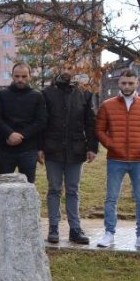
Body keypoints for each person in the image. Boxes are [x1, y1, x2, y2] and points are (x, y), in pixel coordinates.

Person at [95, 69, 140, 249]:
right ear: (119, 83)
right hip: (115, 159)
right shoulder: (107, 105)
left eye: (130, 83)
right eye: (124, 83)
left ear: (137, 83)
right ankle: (109, 233)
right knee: (111, 198)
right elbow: (100, 130)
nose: (127, 86)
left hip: (139, 160)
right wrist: (111, 144)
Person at [39, 63, 97, 245]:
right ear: (56, 70)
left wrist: (92, 147)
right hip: (52, 149)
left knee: (73, 190)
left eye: (70, 68)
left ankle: (75, 228)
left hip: (76, 149)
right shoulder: (46, 94)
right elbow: (42, 123)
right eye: (62, 68)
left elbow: (90, 122)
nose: (66, 71)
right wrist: (39, 147)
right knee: (54, 189)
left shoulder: (84, 94)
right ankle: (53, 228)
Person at [0, 62, 47, 183]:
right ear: (12, 76)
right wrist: (9, 134)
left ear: (30, 76)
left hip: (28, 150)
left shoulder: (37, 96)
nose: (20, 79)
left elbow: (41, 121)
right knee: (3, 187)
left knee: (27, 188)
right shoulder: (2, 95)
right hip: (5, 149)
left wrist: (21, 136)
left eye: (24, 76)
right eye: (17, 76)